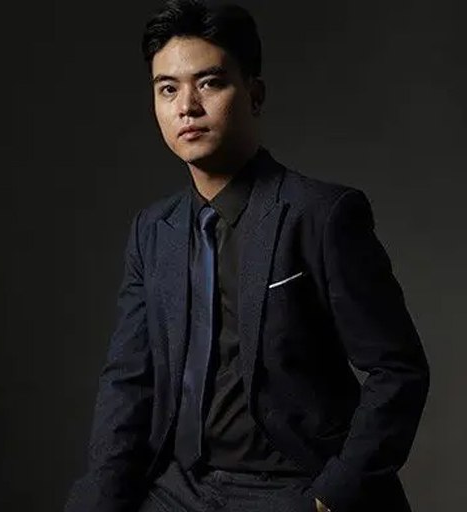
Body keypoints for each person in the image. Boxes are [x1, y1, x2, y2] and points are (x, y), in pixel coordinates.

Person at [64, 1, 430, 511]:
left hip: (291, 486)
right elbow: (129, 379)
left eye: (209, 83)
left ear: (254, 94)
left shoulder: (321, 215)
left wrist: (332, 496)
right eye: (168, 89)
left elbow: (398, 370)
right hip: (178, 489)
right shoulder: (153, 229)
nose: (187, 106)